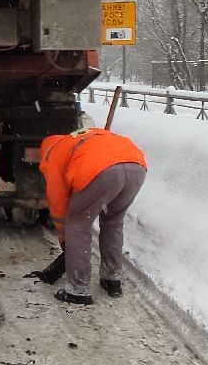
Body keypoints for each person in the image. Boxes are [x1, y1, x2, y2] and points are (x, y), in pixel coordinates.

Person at [36, 127, 147, 305]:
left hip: (102, 170)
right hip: (136, 165)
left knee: (78, 225)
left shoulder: (53, 154)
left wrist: (64, 234)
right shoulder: (81, 138)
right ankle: (111, 279)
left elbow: (58, 201)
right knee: (113, 222)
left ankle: (78, 290)